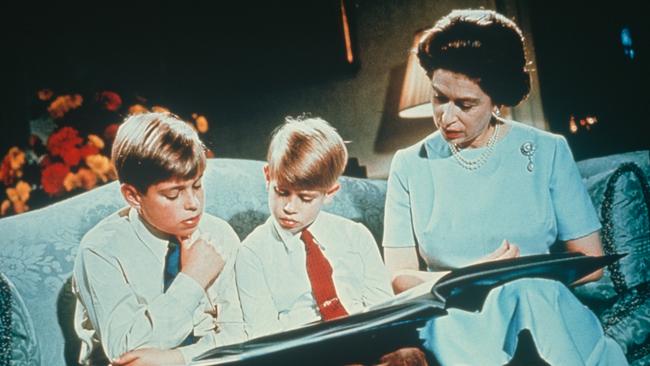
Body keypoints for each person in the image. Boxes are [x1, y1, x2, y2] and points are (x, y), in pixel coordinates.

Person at [382, 9, 628, 365]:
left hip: (543, 308)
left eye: (465, 104)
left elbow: (592, 263)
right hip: (457, 320)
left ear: (497, 100)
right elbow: (397, 279)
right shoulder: (408, 163)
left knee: (531, 296)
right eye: (439, 98)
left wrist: (520, 275)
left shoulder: (549, 150)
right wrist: (467, 275)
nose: (447, 118)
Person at [235, 116, 427, 365]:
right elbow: (264, 338)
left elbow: (383, 310)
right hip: (305, 351)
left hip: (363, 336)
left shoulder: (355, 235)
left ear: (330, 193)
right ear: (267, 176)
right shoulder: (252, 252)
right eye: (281, 192)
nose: (289, 207)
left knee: (408, 355)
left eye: (305, 198)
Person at [72, 112, 246, 366]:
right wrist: (193, 278)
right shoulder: (100, 250)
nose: (193, 204)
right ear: (133, 196)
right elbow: (128, 354)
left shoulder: (218, 235)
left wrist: (178, 358)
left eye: (197, 186)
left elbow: (245, 333)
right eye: (173, 194)